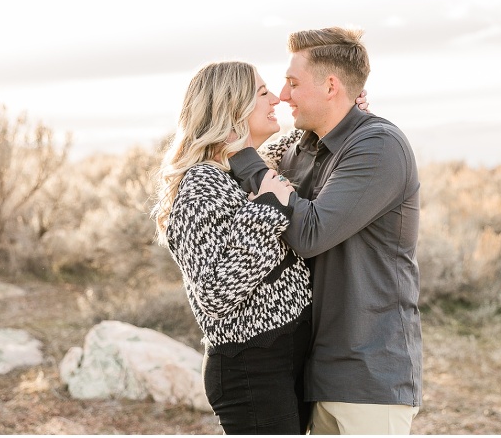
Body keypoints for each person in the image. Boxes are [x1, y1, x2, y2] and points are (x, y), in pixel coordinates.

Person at [151, 61, 368, 434]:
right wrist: (267, 211)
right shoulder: (201, 184)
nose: (278, 100)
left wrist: (343, 113)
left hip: (283, 357)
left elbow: (298, 147)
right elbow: (214, 294)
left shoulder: (242, 170)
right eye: (263, 93)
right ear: (232, 107)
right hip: (250, 369)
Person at [228, 27, 422, 435]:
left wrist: (243, 154)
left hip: (369, 375)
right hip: (313, 373)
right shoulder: (302, 148)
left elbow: (309, 232)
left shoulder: (378, 145)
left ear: (331, 85)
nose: (283, 95)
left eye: (293, 83)